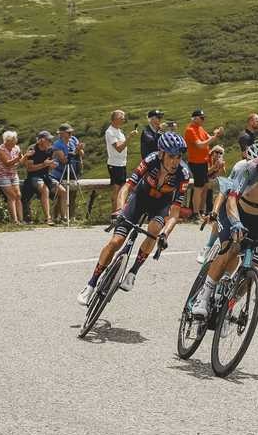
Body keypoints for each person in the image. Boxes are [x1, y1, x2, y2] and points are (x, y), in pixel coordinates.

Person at [188, 136, 258, 316]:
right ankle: (203, 297)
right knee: (231, 248)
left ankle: (227, 307)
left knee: (254, 268)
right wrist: (236, 223)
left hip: (257, 219)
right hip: (234, 211)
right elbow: (231, 198)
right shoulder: (249, 168)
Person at [78, 131, 189, 305]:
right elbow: (127, 187)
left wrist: (165, 234)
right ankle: (91, 284)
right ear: (161, 154)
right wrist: (119, 210)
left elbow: (174, 213)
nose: (175, 161)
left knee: (154, 230)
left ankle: (133, 272)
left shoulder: (183, 174)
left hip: (161, 205)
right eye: (171, 156)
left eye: (178, 157)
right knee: (116, 242)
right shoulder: (151, 160)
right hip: (140, 198)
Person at [22, 130, 58, 224]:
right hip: (34, 176)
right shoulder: (32, 149)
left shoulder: (49, 150)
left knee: (62, 191)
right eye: (48, 140)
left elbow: (49, 166)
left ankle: (62, 217)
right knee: (45, 190)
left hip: (46, 176)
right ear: (42, 140)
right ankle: (48, 218)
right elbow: (29, 169)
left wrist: (51, 165)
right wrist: (44, 165)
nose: (50, 142)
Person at [184, 109, 213, 218]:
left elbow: (208, 138)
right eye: (202, 118)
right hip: (196, 163)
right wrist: (214, 137)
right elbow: (200, 145)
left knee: (204, 187)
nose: (203, 120)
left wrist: (214, 136)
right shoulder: (190, 130)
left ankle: (201, 210)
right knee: (198, 188)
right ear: (195, 118)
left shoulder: (200, 128)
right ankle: (195, 212)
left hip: (203, 162)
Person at [0, 131, 24, 222]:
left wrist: (25, 157)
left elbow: (21, 161)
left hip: (13, 173)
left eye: (15, 140)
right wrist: (18, 158)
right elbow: (7, 163)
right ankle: (14, 220)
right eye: (12, 141)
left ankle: (21, 219)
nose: (15, 142)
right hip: (2, 174)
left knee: (18, 195)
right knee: (12, 196)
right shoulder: (0, 149)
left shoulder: (16, 148)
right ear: (7, 141)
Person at [104, 110, 129, 211]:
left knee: (122, 189)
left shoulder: (119, 131)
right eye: (121, 118)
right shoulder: (110, 132)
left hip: (122, 163)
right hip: (115, 164)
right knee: (116, 189)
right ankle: (114, 213)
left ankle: (120, 212)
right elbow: (119, 148)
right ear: (115, 119)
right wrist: (129, 138)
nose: (123, 120)